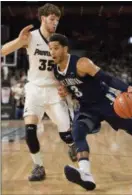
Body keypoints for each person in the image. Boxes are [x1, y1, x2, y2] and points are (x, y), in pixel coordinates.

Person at [48, 33, 132, 190]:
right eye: (50, 49)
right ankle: (86, 174)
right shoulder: (57, 71)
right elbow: (74, 87)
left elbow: (108, 78)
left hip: (107, 103)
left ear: (65, 49)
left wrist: (128, 88)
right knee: (77, 131)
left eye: (56, 48)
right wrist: (66, 91)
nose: (52, 52)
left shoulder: (82, 63)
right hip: (87, 107)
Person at [1, 4, 77, 181]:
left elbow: (66, 66)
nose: (55, 23)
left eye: (57, 20)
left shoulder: (60, 40)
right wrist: (19, 41)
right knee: (29, 130)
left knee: (66, 133)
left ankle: (72, 144)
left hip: (54, 91)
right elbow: (3, 50)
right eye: (52, 19)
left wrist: (66, 86)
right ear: (43, 18)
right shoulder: (30, 37)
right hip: (34, 89)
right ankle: (38, 167)